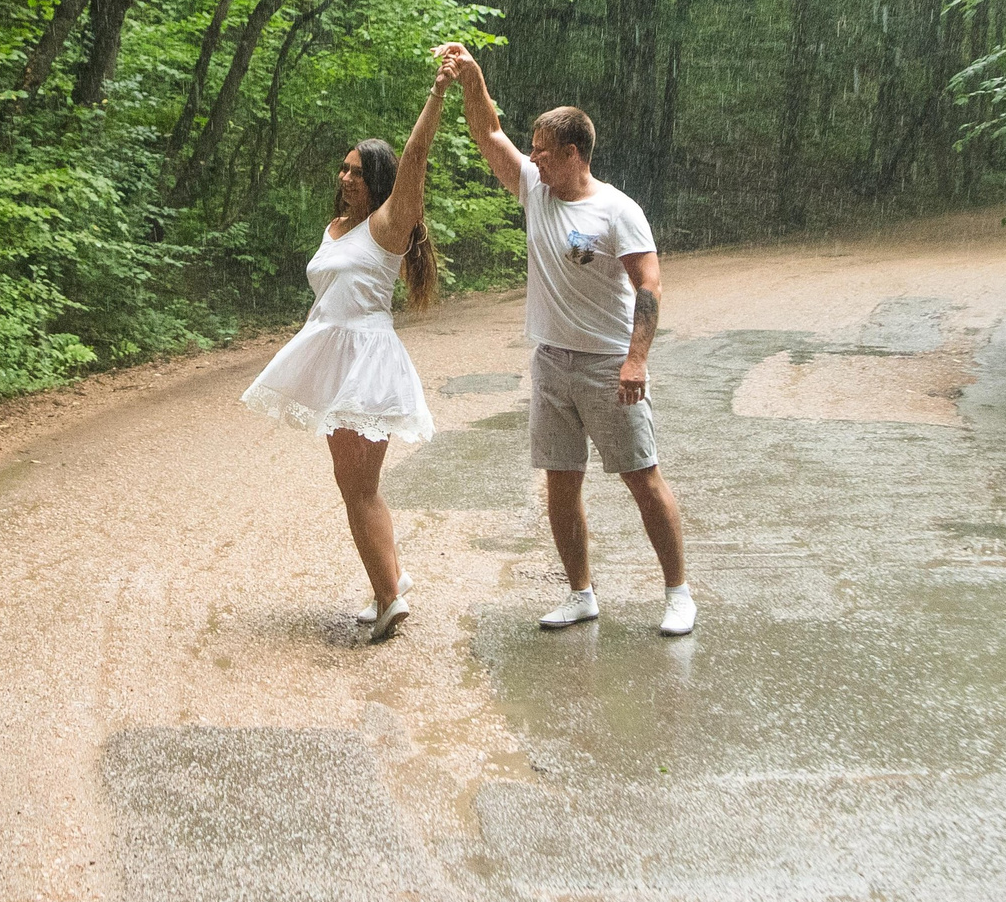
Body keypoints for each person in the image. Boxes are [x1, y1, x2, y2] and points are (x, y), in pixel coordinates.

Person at [433, 44, 693, 637]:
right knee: (560, 481)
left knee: (642, 476)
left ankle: (678, 594)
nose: (532, 160)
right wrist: (473, 75)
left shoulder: (616, 211)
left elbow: (649, 283)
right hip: (550, 363)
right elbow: (487, 133)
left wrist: (636, 359)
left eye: (543, 152)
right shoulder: (535, 191)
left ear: (572, 154)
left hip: (608, 366)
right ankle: (581, 593)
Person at [239, 59, 453, 641]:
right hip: (336, 358)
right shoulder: (337, 226)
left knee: (357, 489)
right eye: (343, 168)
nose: (346, 177)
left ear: (381, 179)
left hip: (368, 363)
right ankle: (392, 580)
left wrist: (436, 92)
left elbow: (415, 158)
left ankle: (388, 598)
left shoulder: (390, 223)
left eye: (358, 171)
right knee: (358, 486)